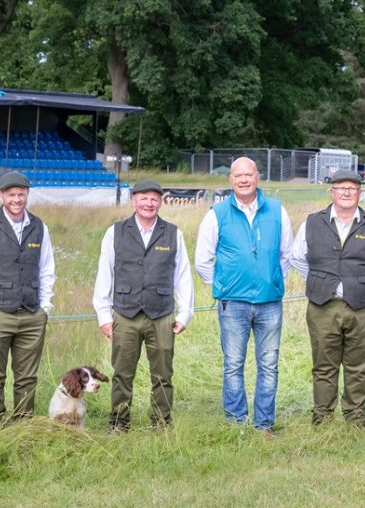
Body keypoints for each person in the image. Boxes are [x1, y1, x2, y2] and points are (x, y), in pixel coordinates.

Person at [194, 157, 293, 436]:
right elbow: (203, 260)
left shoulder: (277, 210)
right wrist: (224, 284)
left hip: (270, 303)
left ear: (258, 177)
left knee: (269, 365)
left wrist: (271, 278)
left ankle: (264, 424)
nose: (243, 179)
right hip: (232, 304)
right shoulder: (217, 213)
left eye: (248, 174)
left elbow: (287, 254)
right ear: (230, 180)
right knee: (233, 364)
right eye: (238, 175)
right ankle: (236, 422)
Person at [289, 170, 365, 427]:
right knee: (324, 366)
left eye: (352, 188)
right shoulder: (312, 222)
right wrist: (322, 280)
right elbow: (296, 257)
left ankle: (355, 417)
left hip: (364, 307)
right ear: (332, 192)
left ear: (359, 193)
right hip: (323, 306)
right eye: (341, 187)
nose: (346, 192)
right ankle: (322, 417)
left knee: (358, 367)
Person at [93, 180, 194, 431]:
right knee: (122, 373)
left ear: (161, 202)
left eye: (154, 199)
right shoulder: (114, 232)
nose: (149, 203)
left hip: (161, 315)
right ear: (134, 200)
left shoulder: (173, 233)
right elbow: (104, 274)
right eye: (144, 198)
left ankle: (161, 423)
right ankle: (119, 422)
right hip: (125, 314)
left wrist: (185, 313)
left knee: (163, 374)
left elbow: (182, 275)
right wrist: (104, 316)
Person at [0, 171, 56, 422]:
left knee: (27, 376)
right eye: (11, 194)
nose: (17, 199)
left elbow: (47, 269)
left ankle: (23, 423)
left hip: (32, 314)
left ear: (27, 195)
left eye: (21, 194)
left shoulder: (39, 227)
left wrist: (45, 307)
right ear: (1, 195)